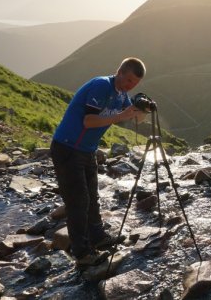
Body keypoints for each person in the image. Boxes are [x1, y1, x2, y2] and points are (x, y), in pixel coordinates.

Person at [50, 57, 148, 268]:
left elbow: (135, 119)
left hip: (87, 151)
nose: (130, 85)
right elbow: (89, 121)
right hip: (67, 148)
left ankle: (98, 238)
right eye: (128, 79)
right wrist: (120, 115)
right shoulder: (102, 85)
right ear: (120, 71)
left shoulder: (121, 94)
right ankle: (82, 254)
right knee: (78, 202)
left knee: (92, 197)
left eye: (135, 84)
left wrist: (143, 109)